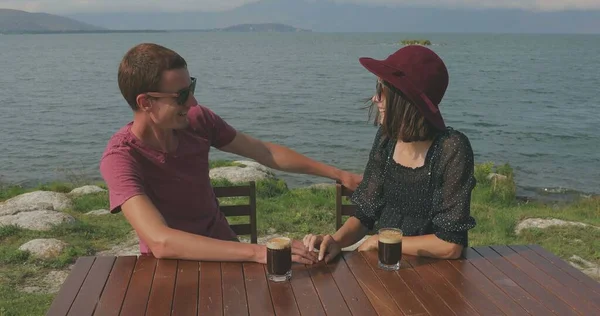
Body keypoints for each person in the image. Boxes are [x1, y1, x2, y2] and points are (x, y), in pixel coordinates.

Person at [99, 43, 362, 265]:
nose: (192, 102)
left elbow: (264, 151)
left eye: (191, 88)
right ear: (145, 102)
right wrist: (261, 251)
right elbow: (160, 240)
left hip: (228, 251)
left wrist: (338, 174)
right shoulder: (121, 157)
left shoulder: (198, 121)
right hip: (173, 267)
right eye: (180, 96)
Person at [303, 45, 477, 262]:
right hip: (385, 266)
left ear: (403, 98)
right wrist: (336, 241)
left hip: (435, 275)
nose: (376, 99)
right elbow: (366, 212)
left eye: (381, 90)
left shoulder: (452, 149)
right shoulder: (386, 139)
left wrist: (380, 240)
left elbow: (450, 245)